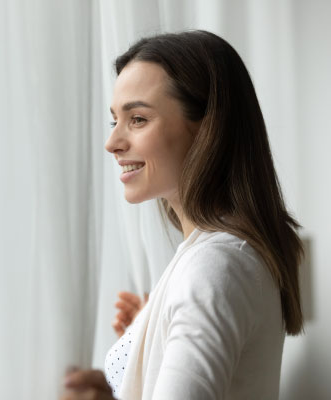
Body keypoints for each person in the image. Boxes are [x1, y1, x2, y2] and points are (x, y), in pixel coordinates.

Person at [60, 30, 304, 400]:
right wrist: (153, 329)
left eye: (138, 119)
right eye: (115, 121)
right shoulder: (213, 258)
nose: (112, 143)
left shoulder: (216, 266)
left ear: (208, 130)